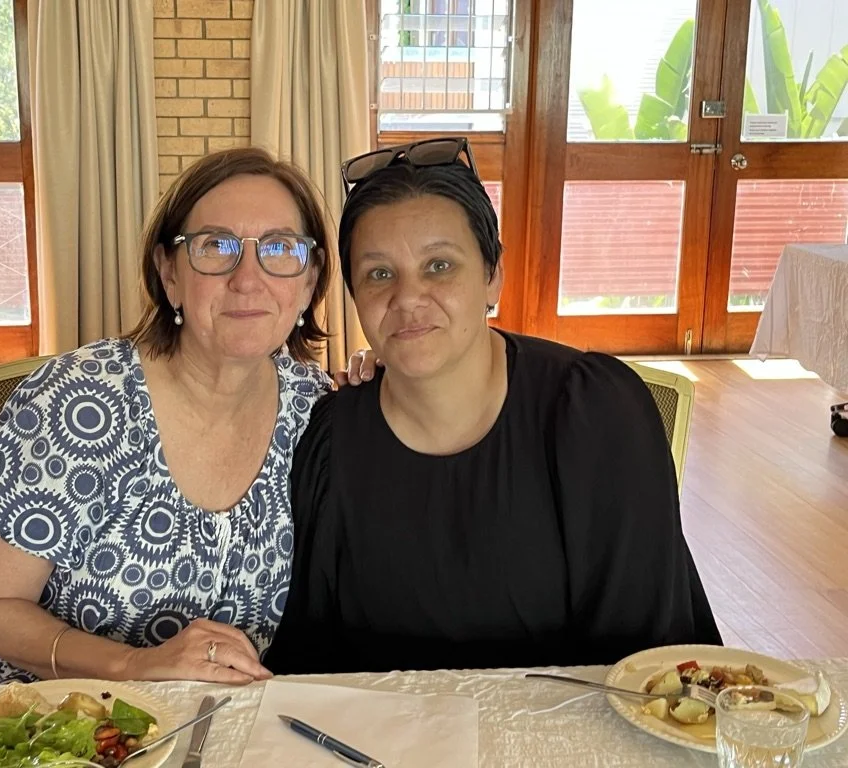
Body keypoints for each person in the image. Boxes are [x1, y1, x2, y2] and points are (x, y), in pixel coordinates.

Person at [267, 138, 723, 675]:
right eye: (380, 274)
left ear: (493, 275)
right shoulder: (332, 441)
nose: (408, 298)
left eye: (439, 265)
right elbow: (312, 666)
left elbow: (645, 667)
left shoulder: (594, 415)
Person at [0, 147, 373, 687]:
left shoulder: (315, 411)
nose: (248, 278)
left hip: (216, 722)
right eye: (215, 246)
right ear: (169, 272)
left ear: (309, 279)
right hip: (34, 718)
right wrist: (136, 665)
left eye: (279, 248)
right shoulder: (76, 404)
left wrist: (388, 395)